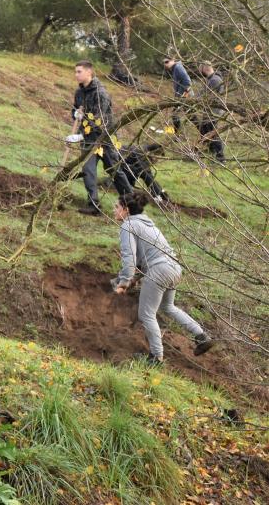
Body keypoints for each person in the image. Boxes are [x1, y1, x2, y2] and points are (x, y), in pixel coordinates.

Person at [111, 191, 215, 365]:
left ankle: (156, 358)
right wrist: (130, 279)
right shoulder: (149, 225)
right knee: (168, 306)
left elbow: (129, 257)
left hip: (159, 270)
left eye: (117, 207)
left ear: (126, 210)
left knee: (146, 314)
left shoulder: (128, 226)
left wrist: (123, 282)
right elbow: (145, 260)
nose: (114, 210)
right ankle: (201, 336)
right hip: (174, 268)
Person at [69, 60, 132, 215]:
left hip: (104, 138)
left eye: (79, 71)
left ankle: (132, 203)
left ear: (89, 72)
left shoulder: (100, 93)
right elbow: (75, 111)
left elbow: (99, 120)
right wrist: (75, 114)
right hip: (88, 139)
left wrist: (79, 136)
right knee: (88, 169)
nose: (76, 74)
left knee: (113, 170)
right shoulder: (79, 92)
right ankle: (94, 206)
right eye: (75, 71)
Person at [196, 61, 226, 163]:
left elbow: (205, 96)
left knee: (212, 134)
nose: (200, 72)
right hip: (210, 111)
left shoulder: (214, 80)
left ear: (205, 68)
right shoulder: (211, 79)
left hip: (214, 112)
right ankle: (212, 151)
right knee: (204, 130)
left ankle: (220, 157)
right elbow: (201, 93)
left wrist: (196, 100)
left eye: (201, 70)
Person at [162, 56, 191, 135]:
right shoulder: (174, 69)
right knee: (191, 116)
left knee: (175, 115)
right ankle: (177, 134)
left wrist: (180, 94)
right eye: (164, 63)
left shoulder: (178, 67)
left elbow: (187, 82)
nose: (165, 64)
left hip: (185, 96)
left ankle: (177, 135)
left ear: (173, 60)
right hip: (182, 96)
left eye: (167, 62)